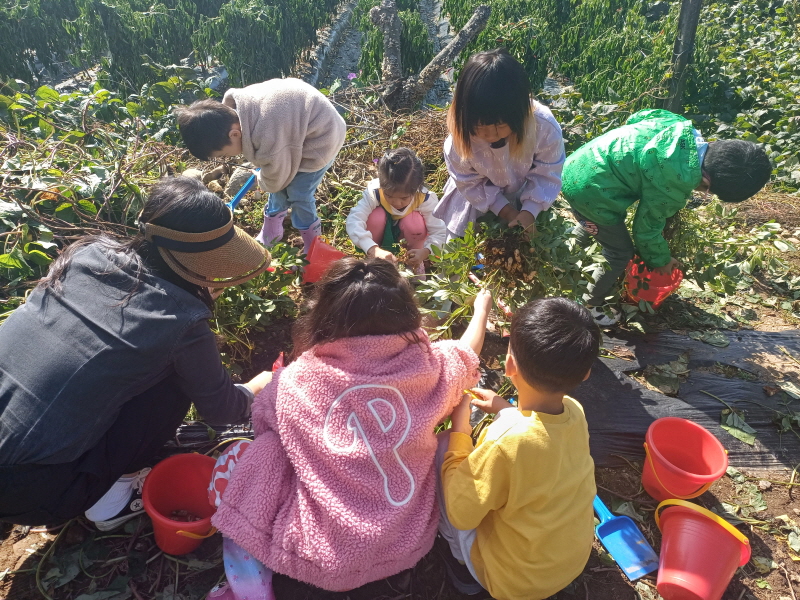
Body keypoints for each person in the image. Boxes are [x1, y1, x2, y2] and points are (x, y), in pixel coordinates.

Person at [0, 177, 274, 530]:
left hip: (13, 456)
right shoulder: (180, 319)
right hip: (26, 491)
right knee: (172, 386)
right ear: (200, 265)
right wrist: (255, 387)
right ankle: (110, 503)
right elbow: (223, 412)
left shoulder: (87, 254)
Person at [209, 258, 493, 597]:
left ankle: (248, 547)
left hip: (314, 553)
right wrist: (481, 309)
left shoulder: (293, 382)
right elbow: (466, 353)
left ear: (322, 316)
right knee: (447, 444)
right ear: (408, 315)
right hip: (400, 543)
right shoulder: (428, 367)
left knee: (269, 447)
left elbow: (261, 423)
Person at [437, 297, 599, 600]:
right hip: (568, 563)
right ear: (586, 373)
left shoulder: (507, 440)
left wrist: (459, 431)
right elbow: (539, 440)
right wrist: (502, 407)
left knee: (443, 454)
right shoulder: (575, 412)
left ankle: (463, 567)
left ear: (509, 364)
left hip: (514, 581)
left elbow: (461, 513)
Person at [562, 108, 772, 325]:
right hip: (589, 192)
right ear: (707, 184)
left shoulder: (680, 126)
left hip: (579, 162)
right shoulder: (674, 184)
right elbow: (646, 231)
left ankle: (564, 253)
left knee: (596, 223)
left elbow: (639, 116)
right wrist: (661, 260)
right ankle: (587, 307)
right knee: (618, 252)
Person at [176, 78, 347, 253]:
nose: (228, 157)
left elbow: (276, 177)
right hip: (296, 129)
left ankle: (314, 246)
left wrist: (262, 179)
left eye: (224, 154)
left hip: (321, 139)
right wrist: (269, 177)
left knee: (298, 193)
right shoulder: (236, 111)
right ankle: (272, 232)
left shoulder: (267, 138)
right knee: (280, 182)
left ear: (234, 134)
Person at [434, 49, 566, 241]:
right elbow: (470, 182)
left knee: (520, 253)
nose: (490, 135)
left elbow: (547, 173)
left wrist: (529, 212)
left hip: (526, 195)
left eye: (500, 126)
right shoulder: (459, 137)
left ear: (520, 115)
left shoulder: (542, 127)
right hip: (472, 197)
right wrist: (506, 212)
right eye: (479, 126)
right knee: (458, 249)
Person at [346, 147, 446, 275]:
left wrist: (426, 251)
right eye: (389, 196)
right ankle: (377, 261)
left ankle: (413, 262)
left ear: (416, 188)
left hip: (410, 239)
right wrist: (372, 248)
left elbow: (440, 231)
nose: (396, 203)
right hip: (380, 237)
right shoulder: (375, 192)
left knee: (414, 221)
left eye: (404, 198)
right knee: (376, 217)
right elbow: (354, 220)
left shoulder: (425, 198)